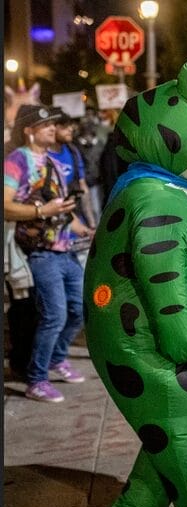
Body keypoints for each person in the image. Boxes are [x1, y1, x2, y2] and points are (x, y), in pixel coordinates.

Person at [3, 104, 91, 402]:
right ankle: (36, 379)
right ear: (29, 131)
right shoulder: (17, 160)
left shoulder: (51, 161)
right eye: (45, 126)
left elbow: (61, 206)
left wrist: (82, 227)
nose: (52, 129)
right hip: (40, 252)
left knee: (80, 309)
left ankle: (56, 358)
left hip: (65, 249)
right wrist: (42, 210)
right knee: (54, 314)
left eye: (54, 125)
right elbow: (5, 205)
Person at [48, 108, 96, 266]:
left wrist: (91, 223)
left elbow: (83, 188)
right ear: (52, 128)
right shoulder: (42, 158)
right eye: (64, 126)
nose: (71, 129)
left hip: (78, 226)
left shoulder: (73, 151)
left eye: (71, 125)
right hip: (53, 233)